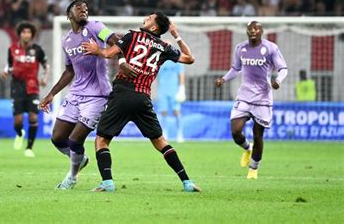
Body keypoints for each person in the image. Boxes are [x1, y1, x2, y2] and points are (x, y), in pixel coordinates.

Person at [81, 11, 202, 193]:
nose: (145, 18)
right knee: (160, 141)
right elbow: (190, 58)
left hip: (122, 94)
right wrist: (176, 35)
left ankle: (107, 183)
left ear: (153, 27)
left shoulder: (132, 36)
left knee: (102, 140)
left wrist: (97, 50)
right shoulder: (164, 46)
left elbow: (108, 54)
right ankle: (187, 182)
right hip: (143, 98)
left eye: (149, 18)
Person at [39, 0, 135, 190]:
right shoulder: (66, 40)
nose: (84, 10)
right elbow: (69, 71)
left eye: (86, 8)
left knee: (75, 140)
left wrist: (121, 60)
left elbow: (117, 41)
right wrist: (51, 94)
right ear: (69, 14)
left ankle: (72, 177)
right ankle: (80, 160)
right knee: (57, 138)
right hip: (75, 94)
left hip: (97, 95)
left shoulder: (95, 26)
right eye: (79, 8)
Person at [215, 21, 288, 179]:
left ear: (261, 31)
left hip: (263, 98)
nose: (253, 31)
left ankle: (253, 169)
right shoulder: (241, 48)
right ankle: (248, 149)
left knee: (258, 134)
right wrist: (224, 79)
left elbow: (283, 68)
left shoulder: (271, 48)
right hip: (245, 96)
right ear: (247, 32)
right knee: (235, 131)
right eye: (250, 29)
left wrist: (278, 81)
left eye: (256, 29)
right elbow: (236, 69)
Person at [1, 21, 49, 157]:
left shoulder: (37, 50)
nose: (26, 34)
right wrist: (6, 71)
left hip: (33, 87)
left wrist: (44, 78)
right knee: (18, 121)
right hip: (17, 87)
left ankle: (29, 148)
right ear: (20, 34)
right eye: (24, 32)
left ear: (32, 34)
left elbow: (46, 65)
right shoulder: (12, 49)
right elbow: (9, 65)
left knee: (33, 117)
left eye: (29, 32)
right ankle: (20, 133)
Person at [157, 59, 186, 142]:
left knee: (176, 111)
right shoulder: (161, 59)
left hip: (174, 89)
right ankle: (164, 133)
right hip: (163, 89)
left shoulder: (176, 59)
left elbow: (181, 73)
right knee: (163, 111)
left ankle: (180, 134)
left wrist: (182, 88)